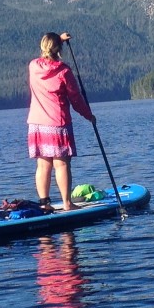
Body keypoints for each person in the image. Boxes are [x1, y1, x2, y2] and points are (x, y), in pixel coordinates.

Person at [27, 32, 95, 212]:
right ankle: (67, 203)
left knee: (43, 164)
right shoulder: (64, 71)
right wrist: (89, 115)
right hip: (57, 124)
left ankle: (45, 204)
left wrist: (58, 38)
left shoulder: (33, 66)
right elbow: (76, 99)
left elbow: (49, 48)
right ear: (59, 49)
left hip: (36, 124)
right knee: (62, 163)